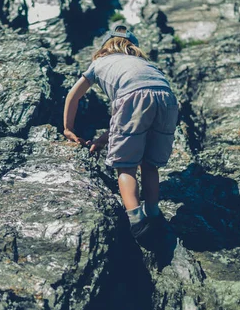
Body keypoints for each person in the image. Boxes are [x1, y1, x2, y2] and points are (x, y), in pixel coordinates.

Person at [63, 24, 179, 246]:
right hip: (167, 97)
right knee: (150, 163)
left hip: (132, 95)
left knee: (126, 165)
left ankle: (137, 221)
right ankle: (154, 214)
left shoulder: (99, 63)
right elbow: (129, 119)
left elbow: (73, 96)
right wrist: (102, 140)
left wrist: (68, 128)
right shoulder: (146, 64)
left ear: (105, 46)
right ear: (133, 47)